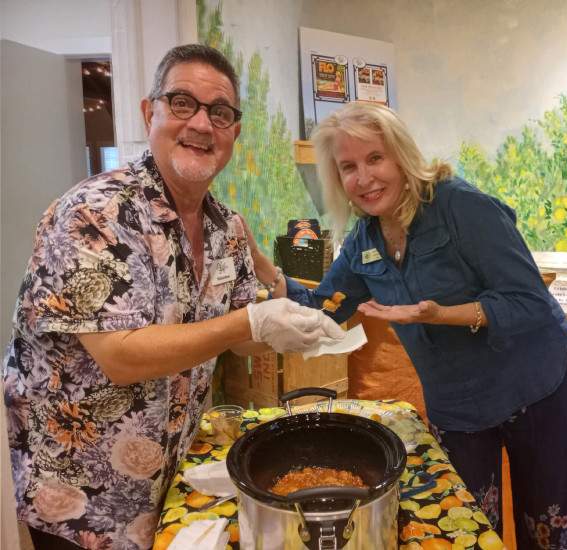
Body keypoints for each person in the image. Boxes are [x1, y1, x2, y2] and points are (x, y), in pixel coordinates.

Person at [2, 44, 342, 550]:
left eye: (220, 112)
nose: (202, 124)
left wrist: (285, 329)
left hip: (173, 484)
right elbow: (120, 355)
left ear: (234, 133)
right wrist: (250, 323)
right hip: (86, 503)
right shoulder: (95, 213)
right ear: (149, 111)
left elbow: (243, 337)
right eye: (182, 103)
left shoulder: (226, 227)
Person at [248, 101, 567, 547]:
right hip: (458, 405)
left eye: (374, 158)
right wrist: (261, 263)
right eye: (348, 167)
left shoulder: (462, 207)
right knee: (466, 525)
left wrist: (443, 315)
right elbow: (325, 307)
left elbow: (528, 301)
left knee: (558, 527)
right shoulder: (364, 241)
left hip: (537, 385)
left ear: (401, 156)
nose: (363, 178)